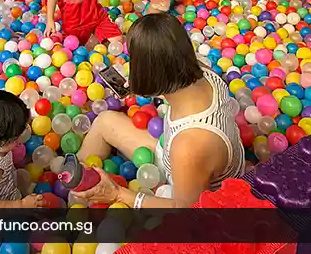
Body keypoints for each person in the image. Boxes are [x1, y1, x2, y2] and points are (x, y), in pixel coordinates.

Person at [74, 13, 244, 208]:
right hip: (186, 161)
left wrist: (117, 194)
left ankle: (72, 189)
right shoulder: (204, 72)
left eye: (135, 63)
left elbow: (187, 211)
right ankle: (75, 171)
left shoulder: (189, 144)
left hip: (196, 194)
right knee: (105, 121)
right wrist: (143, 85)